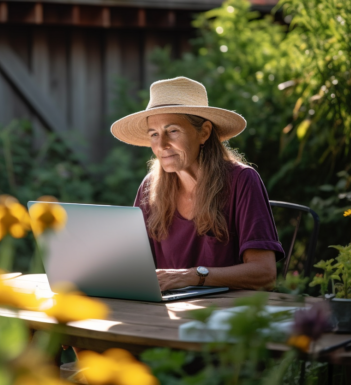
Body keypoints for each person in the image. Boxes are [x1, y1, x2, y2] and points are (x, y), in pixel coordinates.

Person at [110, 76, 284, 292]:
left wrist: (192, 276)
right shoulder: (150, 188)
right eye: (154, 134)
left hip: (227, 313)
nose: (161, 145)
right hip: (166, 313)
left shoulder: (242, 180)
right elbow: (133, 267)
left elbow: (264, 274)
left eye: (172, 131)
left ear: (204, 132)